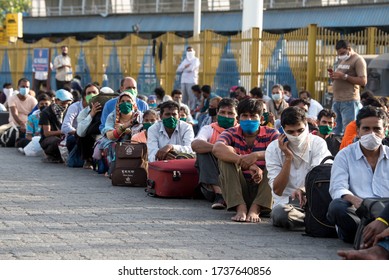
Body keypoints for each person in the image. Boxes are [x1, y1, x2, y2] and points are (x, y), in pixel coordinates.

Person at [327, 105, 389, 243]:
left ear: (384, 131)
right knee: (337, 207)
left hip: (385, 213)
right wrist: (356, 201)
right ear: (358, 131)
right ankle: (365, 235)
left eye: (377, 129)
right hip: (359, 212)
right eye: (366, 129)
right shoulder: (344, 155)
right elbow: (337, 187)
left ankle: (373, 236)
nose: (371, 134)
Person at [213, 98, 279, 223]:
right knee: (225, 158)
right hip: (238, 190)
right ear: (238, 119)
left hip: (264, 192)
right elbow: (217, 148)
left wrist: (256, 155)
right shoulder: (231, 132)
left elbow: (281, 152)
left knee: (276, 160)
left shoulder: (271, 133)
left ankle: (256, 208)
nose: (249, 119)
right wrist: (246, 163)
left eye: (253, 116)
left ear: (261, 119)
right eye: (244, 116)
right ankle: (240, 207)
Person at [265, 106, 331, 229]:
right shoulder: (273, 149)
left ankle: (314, 220)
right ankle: (314, 221)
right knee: (280, 214)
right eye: (291, 132)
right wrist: (288, 158)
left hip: (313, 202)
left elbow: (319, 176)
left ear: (306, 126)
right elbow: (278, 190)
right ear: (283, 131)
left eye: (300, 130)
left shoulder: (318, 144)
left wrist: (303, 189)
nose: (296, 135)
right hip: (287, 205)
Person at [191, 97, 239, 209]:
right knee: (203, 150)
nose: (226, 116)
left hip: (236, 180)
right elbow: (195, 145)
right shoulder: (209, 129)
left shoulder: (242, 131)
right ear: (217, 113)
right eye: (222, 112)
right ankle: (219, 194)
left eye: (230, 113)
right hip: (211, 185)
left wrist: (227, 153)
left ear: (237, 115)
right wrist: (219, 149)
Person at [329, 39, 367, 136]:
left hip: (349, 101)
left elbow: (363, 81)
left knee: (349, 131)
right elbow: (340, 76)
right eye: (339, 53)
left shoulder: (358, 60)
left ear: (349, 49)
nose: (340, 55)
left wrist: (344, 77)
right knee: (335, 130)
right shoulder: (342, 60)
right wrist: (334, 76)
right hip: (337, 101)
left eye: (342, 53)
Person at [100, 91, 142, 173]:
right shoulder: (112, 116)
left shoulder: (140, 116)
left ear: (133, 104)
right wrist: (124, 127)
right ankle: (114, 170)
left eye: (128, 101)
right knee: (113, 145)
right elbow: (110, 136)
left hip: (135, 142)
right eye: (122, 101)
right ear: (118, 104)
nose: (125, 103)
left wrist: (129, 132)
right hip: (115, 142)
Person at [61, 83, 99, 154]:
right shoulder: (75, 107)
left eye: (94, 92)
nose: (92, 95)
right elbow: (65, 127)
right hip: (77, 136)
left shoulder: (102, 107)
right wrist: (80, 132)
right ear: (84, 96)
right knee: (83, 137)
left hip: (96, 136)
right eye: (89, 93)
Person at [39, 89, 73, 163]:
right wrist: (63, 131)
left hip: (64, 136)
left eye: (67, 104)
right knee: (57, 141)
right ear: (56, 101)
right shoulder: (46, 112)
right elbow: (47, 133)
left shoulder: (68, 111)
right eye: (63, 103)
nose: (65, 106)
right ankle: (50, 155)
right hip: (48, 140)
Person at [176, 46, 200, 112]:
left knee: (192, 97)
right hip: (183, 81)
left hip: (191, 81)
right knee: (184, 97)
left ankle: (192, 110)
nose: (189, 52)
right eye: (188, 51)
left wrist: (184, 68)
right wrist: (185, 66)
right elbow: (178, 69)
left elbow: (191, 69)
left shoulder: (196, 60)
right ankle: (183, 110)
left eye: (191, 51)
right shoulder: (185, 60)